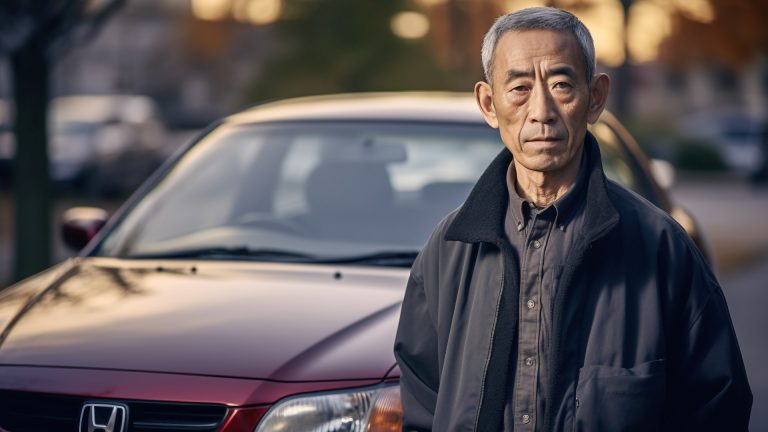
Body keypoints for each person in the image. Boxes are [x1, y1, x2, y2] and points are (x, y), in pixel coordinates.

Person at [394, 7, 752, 431]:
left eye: (562, 85)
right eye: (520, 88)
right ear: (489, 105)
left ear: (595, 97)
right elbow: (422, 407)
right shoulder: (448, 251)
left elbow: (716, 407)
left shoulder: (661, 250)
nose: (541, 110)